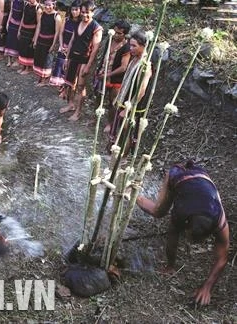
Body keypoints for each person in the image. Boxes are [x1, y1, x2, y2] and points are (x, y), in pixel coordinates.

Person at [136, 160, 229, 306]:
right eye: (191, 237)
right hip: (177, 174)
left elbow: (223, 257)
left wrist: (207, 287)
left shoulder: (219, 220)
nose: (192, 243)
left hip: (202, 176)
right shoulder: (181, 213)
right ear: (187, 226)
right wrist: (170, 266)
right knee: (158, 211)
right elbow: (172, 237)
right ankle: (133, 193)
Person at [108, 31, 152, 156]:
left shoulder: (145, 65)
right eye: (130, 45)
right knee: (120, 130)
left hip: (133, 105)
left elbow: (142, 90)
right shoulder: (135, 60)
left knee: (125, 132)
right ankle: (115, 156)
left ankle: (122, 159)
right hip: (125, 100)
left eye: (134, 46)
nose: (130, 49)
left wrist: (128, 108)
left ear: (143, 46)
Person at [60, 0, 102, 121]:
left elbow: (95, 50)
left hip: (85, 59)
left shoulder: (96, 28)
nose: (84, 15)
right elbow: (72, 40)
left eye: (87, 13)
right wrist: (67, 58)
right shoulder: (78, 22)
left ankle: (78, 112)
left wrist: (88, 66)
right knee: (69, 82)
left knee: (80, 86)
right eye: (82, 12)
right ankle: (71, 104)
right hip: (73, 56)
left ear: (93, 12)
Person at [94, 20, 131, 133]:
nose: (116, 34)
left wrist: (108, 74)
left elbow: (123, 67)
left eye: (119, 33)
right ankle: (96, 119)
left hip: (115, 79)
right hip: (102, 74)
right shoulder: (109, 40)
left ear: (125, 34)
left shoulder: (126, 47)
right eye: (115, 31)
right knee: (98, 97)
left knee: (113, 102)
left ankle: (111, 124)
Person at [49, 0, 81, 93]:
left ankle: (67, 89)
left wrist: (69, 49)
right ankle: (60, 86)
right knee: (60, 66)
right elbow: (61, 33)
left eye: (76, 10)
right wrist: (62, 45)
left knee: (69, 69)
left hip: (73, 49)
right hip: (63, 46)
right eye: (72, 10)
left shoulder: (81, 24)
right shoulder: (66, 20)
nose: (74, 12)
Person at [32, 0, 61, 86]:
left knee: (47, 60)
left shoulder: (57, 16)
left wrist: (53, 45)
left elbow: (57, 33)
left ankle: (45, 80)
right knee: (39, 58)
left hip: (49, 42)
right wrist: (36, 40)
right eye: (46, 5)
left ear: (54, 5)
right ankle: (40, 78)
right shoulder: (43, 14)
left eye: (49, 5)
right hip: (41, 40)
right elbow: (39, 27)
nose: (47, 7)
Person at [16, 0, 41, 74]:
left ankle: (28, 68)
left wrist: (35, 37)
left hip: (31, 32)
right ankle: (23, 66)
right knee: (22, 48)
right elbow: (23, 18)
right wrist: (19, 30)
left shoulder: (38, 9)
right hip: (24, 30)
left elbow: (39, 24)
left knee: (28, 50)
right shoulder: (26, 5)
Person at [3, 0, 24, 67]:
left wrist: (20, 29)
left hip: (18, 24)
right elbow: (11, 12)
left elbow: (23, 17)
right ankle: (9, 60)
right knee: (9, 41)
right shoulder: (13, 1)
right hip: (12, 23)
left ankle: (16, 60)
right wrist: (7, 22)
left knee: (16, 42)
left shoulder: (24, 3)